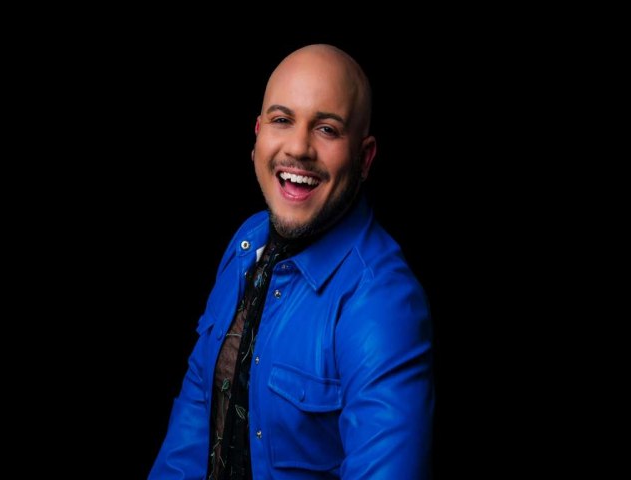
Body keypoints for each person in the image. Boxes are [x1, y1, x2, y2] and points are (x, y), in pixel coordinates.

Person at [149, 44, 434, 479]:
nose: (298, 147)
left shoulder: (382, 305)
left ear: (364, 157)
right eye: (282, 120)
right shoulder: (246, 242)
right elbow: (198, 406)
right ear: (258, 133)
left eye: (327, 129)